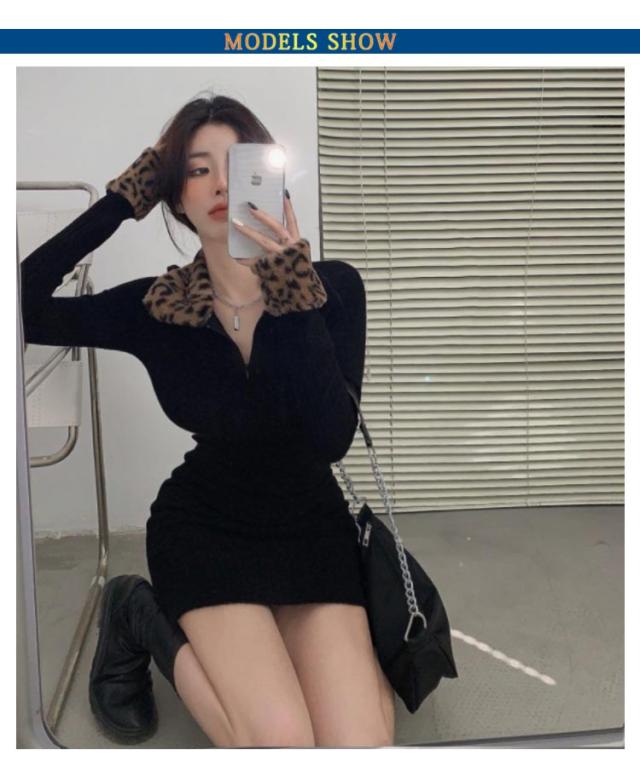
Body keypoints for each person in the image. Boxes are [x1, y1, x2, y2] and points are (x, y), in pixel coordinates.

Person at [20, 93, 396, 748]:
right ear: (174, 196)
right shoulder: (157, 307)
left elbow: (330, 437)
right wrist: (120, 199)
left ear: (274, 179)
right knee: (280, 742)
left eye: (241, 166)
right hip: (207, 528)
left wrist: (288, 287)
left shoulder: (333, 288)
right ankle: (139, 613)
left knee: (359, 746)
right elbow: (23, 302)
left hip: (311, 528)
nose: (223, 184)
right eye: (197, 170)